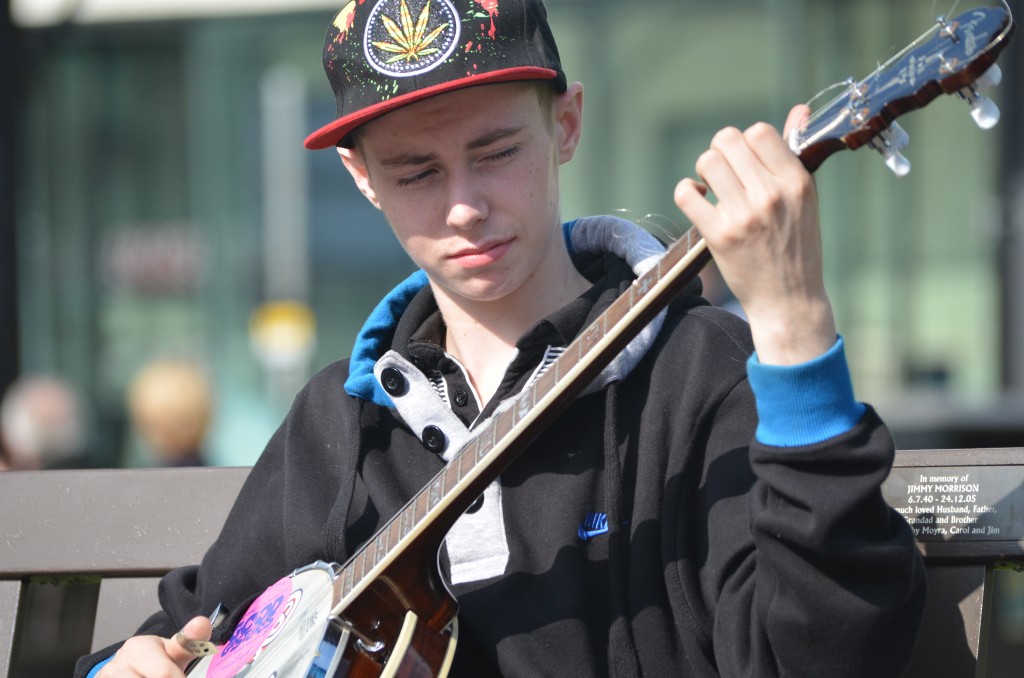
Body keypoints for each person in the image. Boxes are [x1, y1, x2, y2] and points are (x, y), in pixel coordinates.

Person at [76, 0, 925, 675]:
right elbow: (195, 626)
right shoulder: (342, 420)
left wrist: (792, 321)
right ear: (360, 177)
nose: (463, 206)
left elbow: (829, 653)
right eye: (416, 172)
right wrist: (130, 663)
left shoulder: (701, 373)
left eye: (496, 151)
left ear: (565, 124)